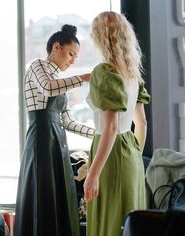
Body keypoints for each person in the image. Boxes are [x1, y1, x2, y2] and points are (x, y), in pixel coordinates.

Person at [14, 24, 95, 236]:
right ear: (56, 47)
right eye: (71, 54)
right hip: (41, 141)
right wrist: (83, 78)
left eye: (75, 57)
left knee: (62, 201)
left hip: (58, 144)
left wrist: (99, 134)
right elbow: (48, 87)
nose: (72, 61)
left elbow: (67, 121)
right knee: (44, 199)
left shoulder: (60, 81)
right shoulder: (37, 66)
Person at [83, 11, 151, 236]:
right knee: (129, 221)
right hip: (131, 154)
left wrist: (92, 174)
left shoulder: (104, 72)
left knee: (109, 221)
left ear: (101, 38)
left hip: (109, 155)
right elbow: (141, 123)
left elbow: (110, 127)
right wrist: (134, 157)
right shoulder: (133, 74)